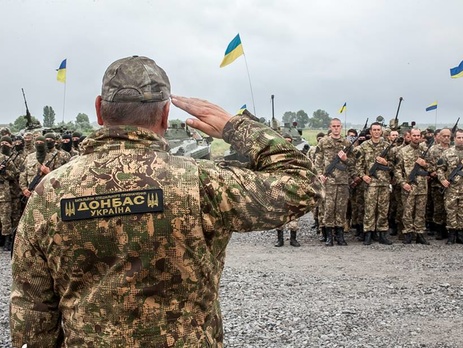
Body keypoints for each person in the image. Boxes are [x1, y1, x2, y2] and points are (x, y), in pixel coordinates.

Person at [10, 55, 322, 347]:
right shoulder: (202, 183)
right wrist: (233, 126)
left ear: (99, 110)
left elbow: (32, 308)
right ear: (165, 114)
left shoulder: (49, 194)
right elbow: (303, 185)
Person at [314, 118, 353, 246]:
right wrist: (320, 175)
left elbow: (354, 163)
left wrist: (345, 159)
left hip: (342, 181)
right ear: (330, 127)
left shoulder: (346, 143)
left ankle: (340, 235)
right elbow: (318, 160)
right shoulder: (324, 142)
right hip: (328, 181)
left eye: (338, 126)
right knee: (329, 208)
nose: (336, 128)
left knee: (341, 208)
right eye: (334, 126)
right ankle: (329, 236)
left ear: (341, 127)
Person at [355, 122, 393, 245]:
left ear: (381, 132)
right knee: (369, 209)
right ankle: (368, 233)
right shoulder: (364, 146)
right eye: (374, 130)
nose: (376, 132)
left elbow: (394, 165)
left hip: (383, 183)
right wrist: (363, 176)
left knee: (383, 209)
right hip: (370, 183)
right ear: (370, 132)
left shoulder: (387, 146)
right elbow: (358, 164)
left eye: (378, 130)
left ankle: (382, 233)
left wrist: (385, 162)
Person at [394, 128, 431, 244]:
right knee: (407, 211)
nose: (416, 137)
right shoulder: (403, 151)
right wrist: (402, 183)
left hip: (422, 187)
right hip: (408, 186)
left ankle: (420, 233)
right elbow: (397, 170)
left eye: (418, 135)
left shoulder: (425, 150)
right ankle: (408, 233)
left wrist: (425, 164)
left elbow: (433, 167)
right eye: (414, 135)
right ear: (409, 136)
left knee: (420, 211)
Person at [274, 133, 302, 247]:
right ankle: (279, 239)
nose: (287, 143)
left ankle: (293, 238)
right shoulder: (276, 155)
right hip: (279, 186)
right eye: (285, 141)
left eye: (289, 141)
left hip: (293, 187)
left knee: (294, 212)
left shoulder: (296, 155)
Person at [437, 128, 463, 244]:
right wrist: (443, 180)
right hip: (451, 187)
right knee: (451, 211)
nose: (461, 140)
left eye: (462, 138)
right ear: (454, 138)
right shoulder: (447, 153)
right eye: (458, 137)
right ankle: (452, 234)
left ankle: (461, 234)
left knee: (462, 211)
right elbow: (440, 169)